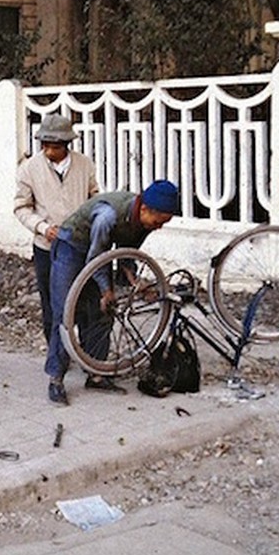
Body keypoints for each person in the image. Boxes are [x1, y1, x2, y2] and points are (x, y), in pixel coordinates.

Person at [44, 180, 180, 406]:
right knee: (64, 314)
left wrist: (135, 283)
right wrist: (106, 289)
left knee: (103, 311)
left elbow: (127, 254)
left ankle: (96, 373)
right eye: (158, 221)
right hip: (72, 246)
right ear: (145, 209)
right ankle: (56, 378)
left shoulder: (142, 221)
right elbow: (96, 260)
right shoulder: (108, 217)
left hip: (100, 252)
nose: (159, 227)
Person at [14, 112, 99, 341]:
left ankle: (87, 352)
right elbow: (21, 207)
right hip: (46, 246)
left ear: (66, 145)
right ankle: (57, 354)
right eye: (46, 146)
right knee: (52, 302)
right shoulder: (29, 168)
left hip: (81, 244)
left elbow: (95, 197)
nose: (50, 152)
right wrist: (42, 227)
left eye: (56, 147)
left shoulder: (84, 164)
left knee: (86, 299)